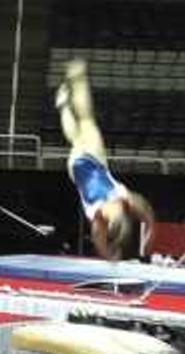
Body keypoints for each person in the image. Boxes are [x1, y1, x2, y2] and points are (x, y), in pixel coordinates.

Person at [56, 58, 155, 261]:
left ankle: (78, 78)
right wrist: (111, 257)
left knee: (86, 120)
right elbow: (99, 240)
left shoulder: (123, 198)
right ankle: (64, 106)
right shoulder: (98, 217)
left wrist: (151, 229)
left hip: (92, 162)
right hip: (75, 169)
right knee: (75, 139)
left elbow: (146, 212)